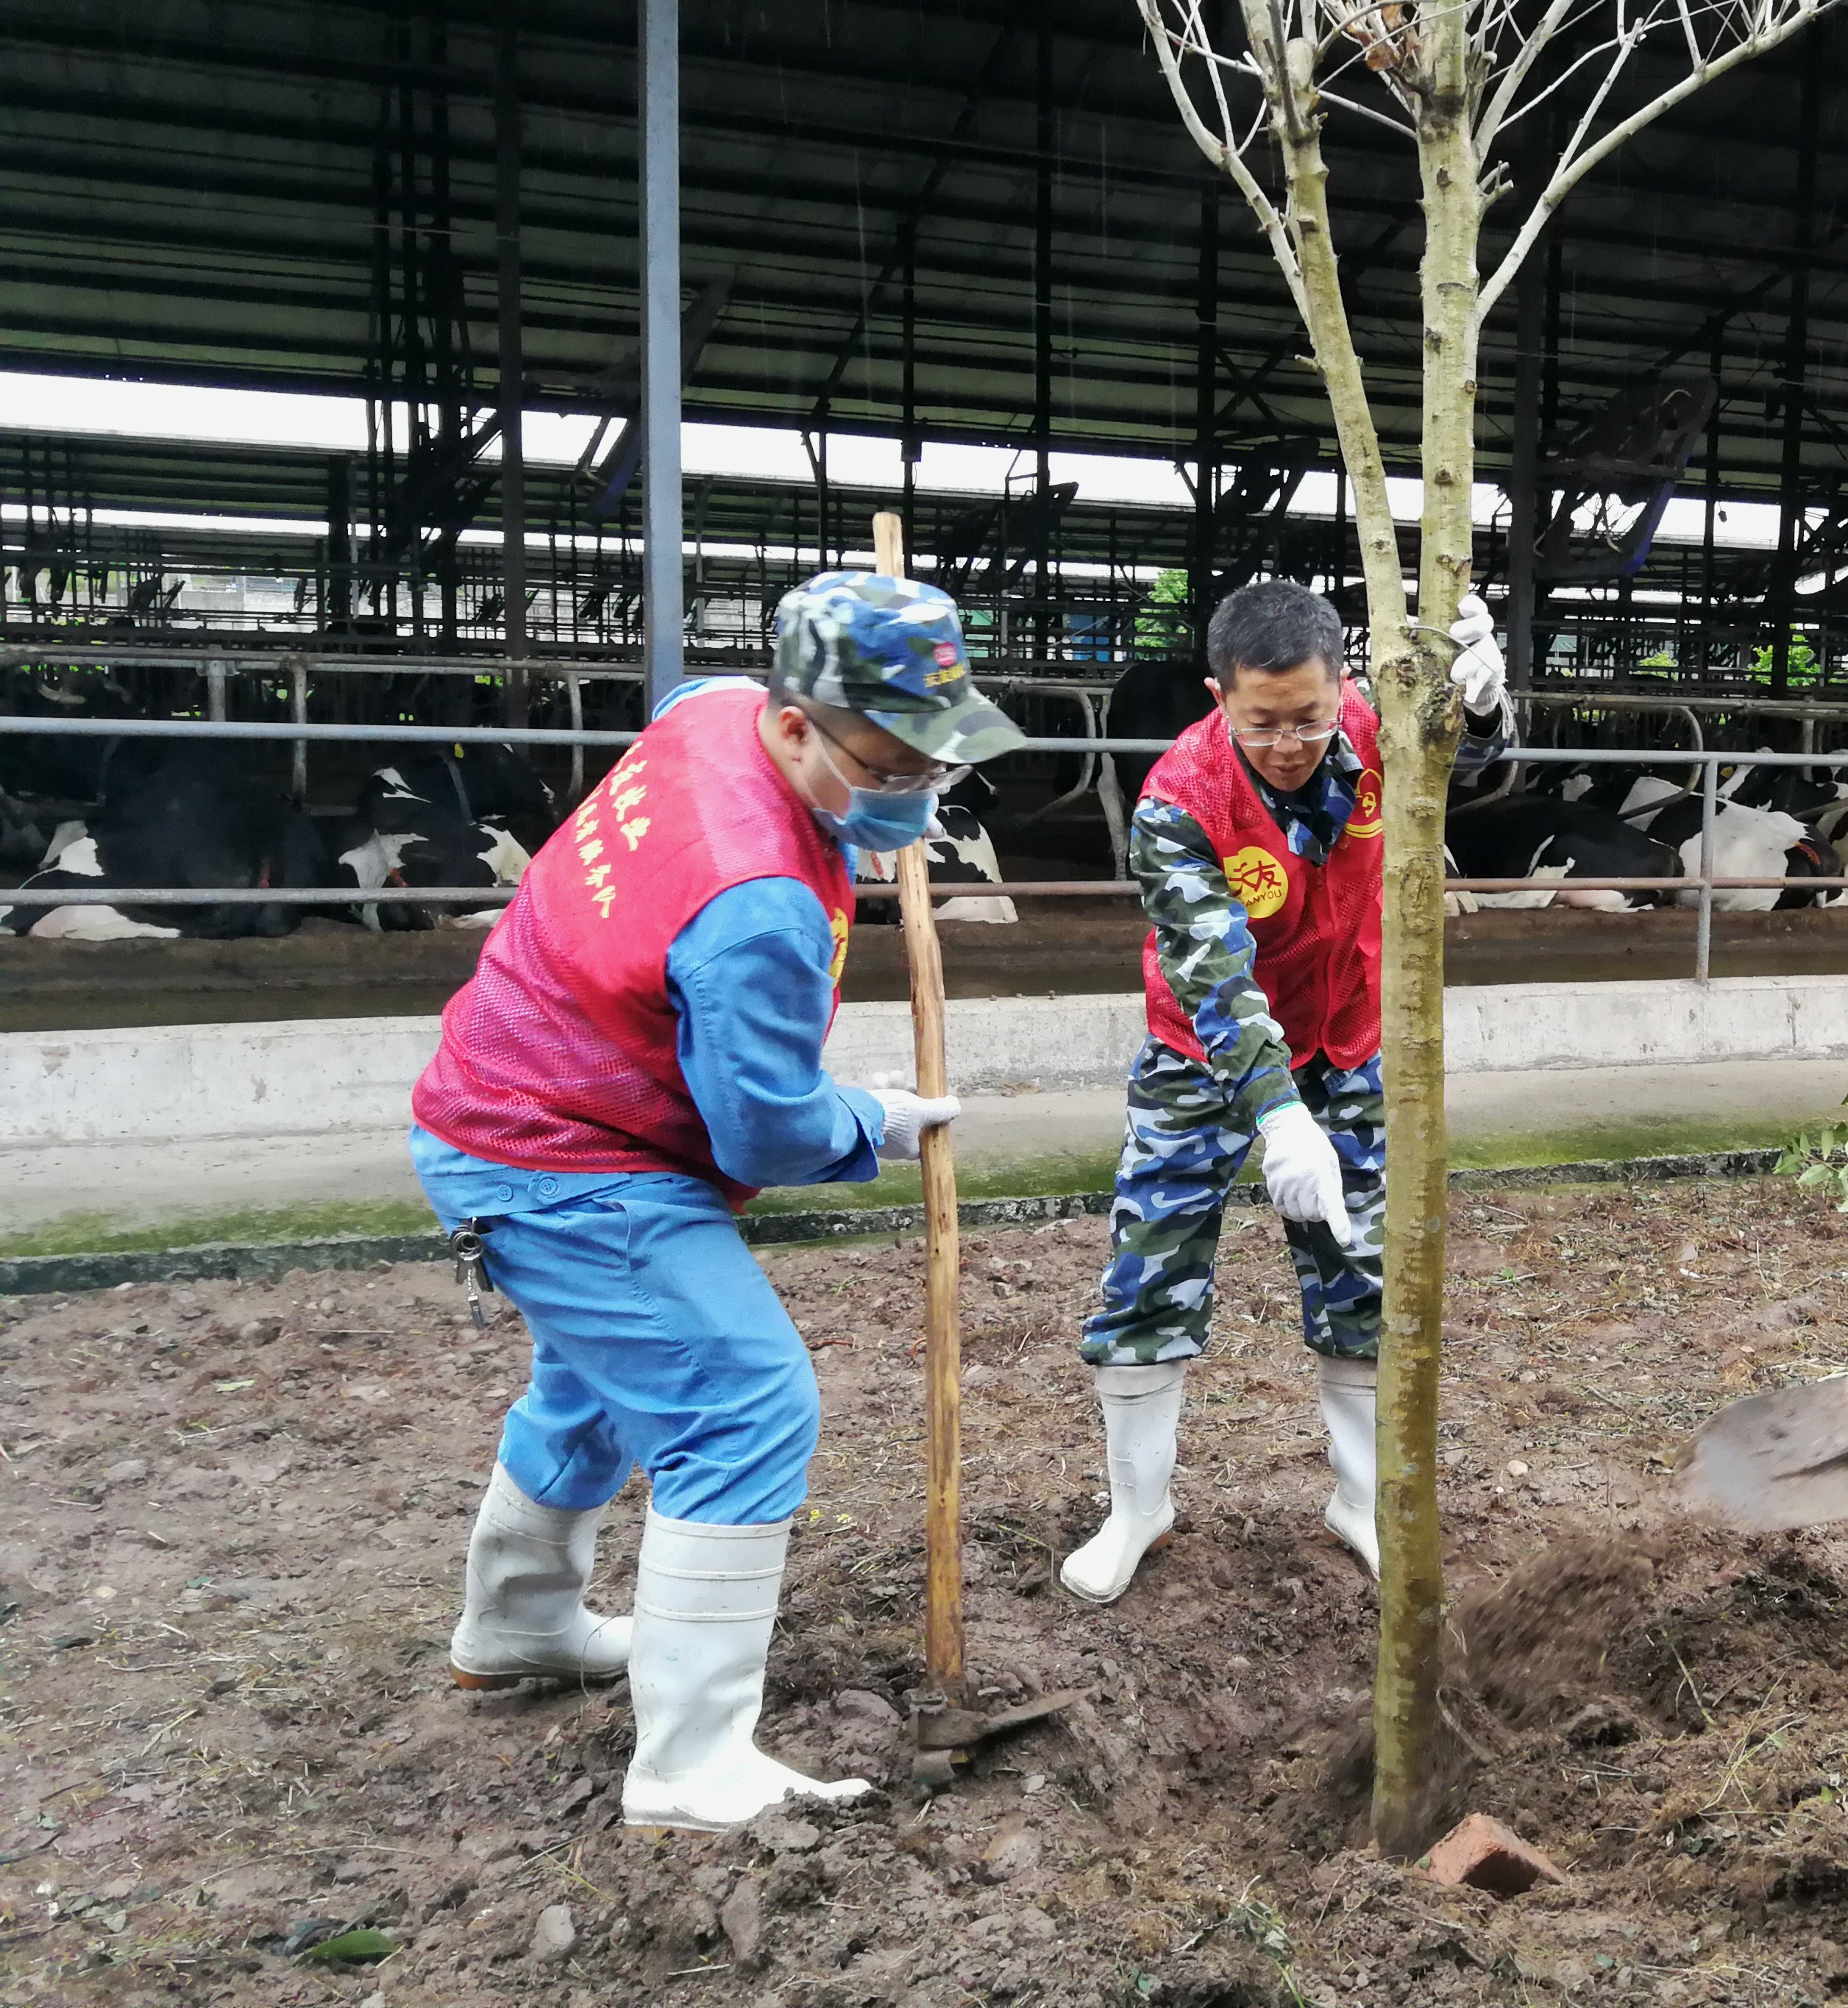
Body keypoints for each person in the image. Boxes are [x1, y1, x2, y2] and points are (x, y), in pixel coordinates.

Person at [409, 571, 1023, 1833]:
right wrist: (865, 1118)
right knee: (743, 1397)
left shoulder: (711, 710)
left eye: (937, 757)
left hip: (508, 1102)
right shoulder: (759, 909)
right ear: (795, 725)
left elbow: (695, 713)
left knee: (604, 1381)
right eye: (890, 761)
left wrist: (876, 776)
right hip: (566, 1153)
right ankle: (692, 1765)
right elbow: (764, 1127)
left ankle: (520, 1622)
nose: (917, 789)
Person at [1061, 579, 1510, 1604]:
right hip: (1202, 1056)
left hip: (1346, 1039)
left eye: (1308, 717)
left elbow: (1466, 770)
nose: (1289, 743)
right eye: (1261, 722)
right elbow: (1214, 977)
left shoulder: (1375, 725)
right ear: (1219, 696)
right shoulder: (1180, 800)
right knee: (1151, 1264)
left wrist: (1482, 710)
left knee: (1363, 1272)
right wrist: (1276, 1115)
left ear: (1342, 684)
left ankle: (1362, 1501)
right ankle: (1138, 1508)